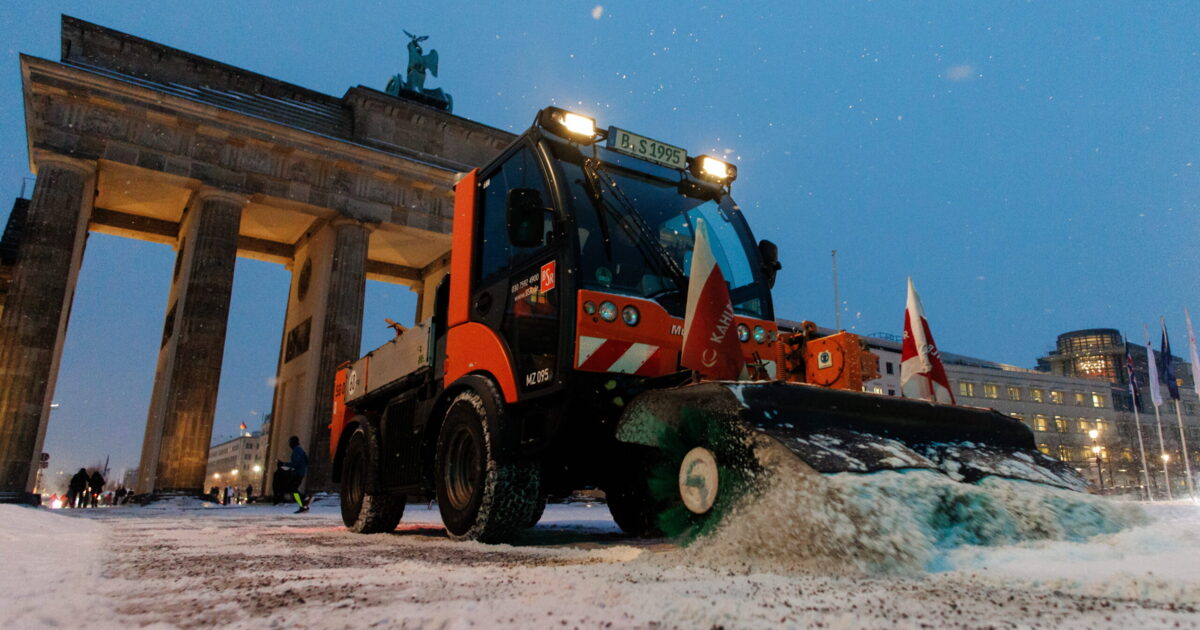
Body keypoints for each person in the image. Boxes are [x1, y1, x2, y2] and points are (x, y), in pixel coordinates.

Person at [283, 435, 310, 513]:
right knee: (293, 489)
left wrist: (284, 464)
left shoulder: (296, 451)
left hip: (297, 473)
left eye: (290, 442)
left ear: (292, 443)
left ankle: (304, 499)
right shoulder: (300, 450)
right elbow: (306, 460)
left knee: (293, 489)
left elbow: (296, 464)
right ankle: (303, 504)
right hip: (300, 472)